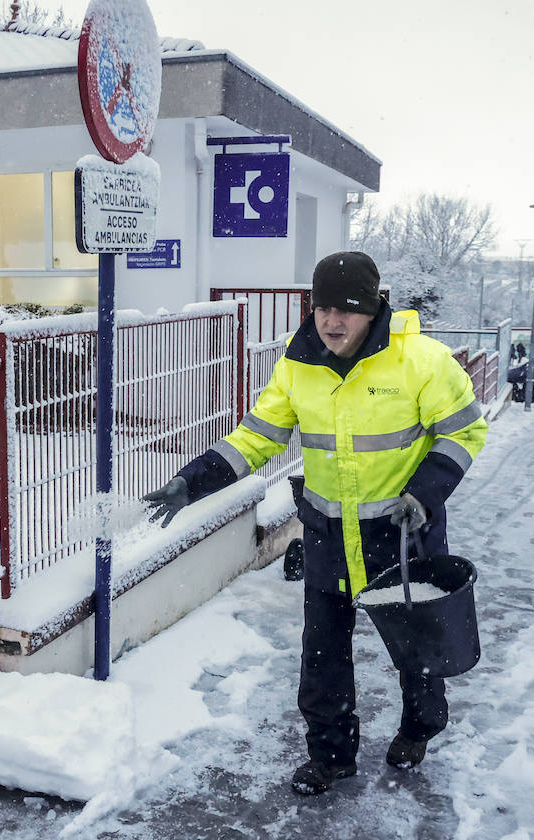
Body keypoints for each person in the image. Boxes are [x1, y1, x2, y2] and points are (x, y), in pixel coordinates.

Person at [144, 251, 488, 796]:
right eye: (323, 307)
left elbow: (464, 433)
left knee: (418, 650)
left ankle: (421, 726)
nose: (332, 321)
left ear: (374, 307)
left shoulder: (421, 361)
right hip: (328, 535)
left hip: (402, 535)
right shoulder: (297, 361)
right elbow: (259, 435)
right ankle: (330, 756)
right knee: (322, 655)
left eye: (347, 309)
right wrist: (193, 480)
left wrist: (422, 495)